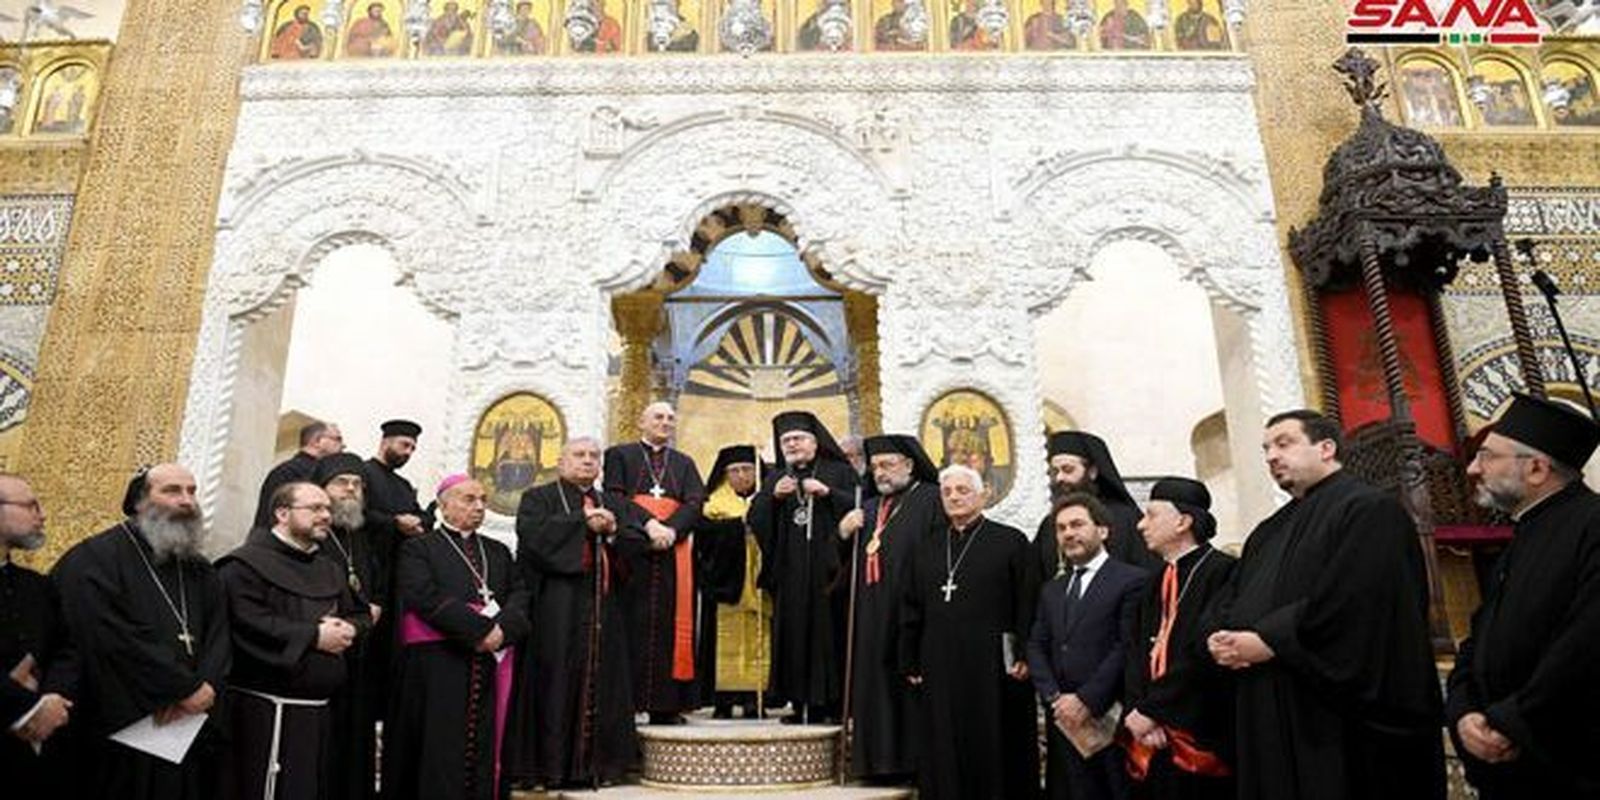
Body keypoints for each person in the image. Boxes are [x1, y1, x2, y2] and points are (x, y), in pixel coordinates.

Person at [1205, 409, 1444, 800]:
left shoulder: (1369, 510)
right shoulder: (1268, 531)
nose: (1271, 457)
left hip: (1333, 718)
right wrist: (1222, 636)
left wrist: (1269, 641)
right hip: (1270, 703)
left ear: (1326, 448)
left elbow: (1362, 604)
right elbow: (1235, 596)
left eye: (1285, 443)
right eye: (1266, 449)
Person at [1448, 394, 1600, 797]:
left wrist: (1511, 721)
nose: (1472, 468)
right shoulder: (1523, 535)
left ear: (1535, 468)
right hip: (1506, 755)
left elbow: (1586, 645)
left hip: (1567, 762)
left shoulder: (1592, 526)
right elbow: (1479, 640)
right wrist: (1464, 712)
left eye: (1488, 457)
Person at [51, 464, 231, 799]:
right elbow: (107, 637)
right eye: (172, 490)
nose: (187, 500)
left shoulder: (201, 570)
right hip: (120, 728)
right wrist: (180, 689)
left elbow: (219, 636)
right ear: (139, 502)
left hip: (187, 727)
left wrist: (206, 687)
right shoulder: (94, 559)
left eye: (191, 491)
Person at [218, 482, 371, 800]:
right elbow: (247, 624)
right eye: (315, 508)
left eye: (327, 508)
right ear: (282, 513)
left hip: (318, 713)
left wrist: (349, 629)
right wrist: (314, 636)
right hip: (262, 711)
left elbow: (360, 613)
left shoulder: (329, 567)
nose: (326, 515)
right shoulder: (243, 565)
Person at [385, 476, 530, 800]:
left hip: (492, 660)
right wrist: (481, 630)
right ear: (443, 505)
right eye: (469, 499)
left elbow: (520, 596)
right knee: (439, 743)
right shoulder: (418, 548)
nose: (479, 506)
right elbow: (422, 595)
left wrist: (502, 631)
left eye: (482, 499)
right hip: (438, 665)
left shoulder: (498, 551)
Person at [901, 465, 1041, 799]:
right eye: (947, 492)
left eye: (962, 490)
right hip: (939, 660)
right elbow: (910, 607)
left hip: (994, 663)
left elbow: (1028, 601)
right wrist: (910, 659)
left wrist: (1024, 653)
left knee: (994, 737)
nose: (954, 497)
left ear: (983, 495)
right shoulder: (927, 548)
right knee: (943, 739)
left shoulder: (1011, 541)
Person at [507, 437, 637, 790]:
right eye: (579, 455)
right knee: (554, 681)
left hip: (603, 609)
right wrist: (581, 522)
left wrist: (612, 531)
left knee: (604, 680)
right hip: (556, 608)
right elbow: (533, 539)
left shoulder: (612, 502)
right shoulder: (538, 498)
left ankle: (602, 766)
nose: (587, 461)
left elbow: (635, 542)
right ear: (560, 461)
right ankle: (550, 769)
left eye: (594, 456)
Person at [1027, 493, 1146, 800]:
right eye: (1061, 527)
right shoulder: (1052, 589)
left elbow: (1126, 646)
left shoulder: (1132, 580)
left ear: (1102, 530)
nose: (1068, 533)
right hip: (1063, 719)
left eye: (1077, 524)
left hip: (1109, 716)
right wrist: (1055, 697)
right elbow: (1037, 645)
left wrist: (1086, 699)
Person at [1123, 478, 1236, 800]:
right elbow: (1134, 653)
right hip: (1152, 733)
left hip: (1199, 729)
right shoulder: (1152, 582)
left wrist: (1156, 710)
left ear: (1183, 522)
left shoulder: (1224, 572)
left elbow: (1205, 653)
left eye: (1152, 515)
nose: (1141, 525)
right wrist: (1141, 711)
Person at [838, 434, 941, 783]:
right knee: (873, 687)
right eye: (876, 466)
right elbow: (838, 569)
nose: (880, 472)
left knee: (904, 687)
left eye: (888, 464)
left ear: (909, 465)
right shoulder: (866, 506)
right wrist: (842, 532)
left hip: (911, 612)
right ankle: (874, 764)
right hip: (869, 615)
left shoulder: (930, 499)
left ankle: (909, 764)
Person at [750, 410, 860, 724]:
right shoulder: (776, 477)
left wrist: (827, 493)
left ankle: (833, 705)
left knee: (829, 633)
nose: (792, 445)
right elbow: (755, 519)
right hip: (790, 572)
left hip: (830, 572)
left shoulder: (840, 472)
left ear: (815, 442)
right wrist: (772, 497)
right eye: (786, 441)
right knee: (794, 634)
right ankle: (799, 703)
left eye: (798, 438)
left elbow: (859, 507)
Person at [604, 402, 705, 724]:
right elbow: (615, 498)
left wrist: (672, 530)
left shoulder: (684, 462)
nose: (665, 422)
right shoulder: (620, 455)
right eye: (658, 417)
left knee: (671, 626)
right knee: (630, 623)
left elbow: (695, 502)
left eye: (670, 418)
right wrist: (650, 525)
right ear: (641, 422)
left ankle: (666, 706)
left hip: (674, 552)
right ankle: (627, 705)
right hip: (634, 550)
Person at [314, 453, 384, 800]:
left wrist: (376, 606)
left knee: (357, 733)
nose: (351, 490)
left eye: (357, 484)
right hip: (323, 651)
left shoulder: (361, 534)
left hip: (362, 652)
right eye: (342, 482)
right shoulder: (311, 534)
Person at [0, 473, 73, 797]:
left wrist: (50, 702)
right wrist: (24, 707)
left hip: (33, 756)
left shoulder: (38, 586)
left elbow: (67, 651)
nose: (41, 515)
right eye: (30, 505)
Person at [693, 444, 768, 719]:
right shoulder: (713, 503)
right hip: (725, 583)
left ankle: (754, 697)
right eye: (734, 470)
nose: (741, 475)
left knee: (758, 638)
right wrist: (739, 528)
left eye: (747, 469)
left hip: (759, 583)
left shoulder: (768, 498)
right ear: (724, 475)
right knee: (720, 641)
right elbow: (704, 539)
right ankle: (722, 700)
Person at [1038, 431, 1155, 577]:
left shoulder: (1127, 520)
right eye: (1054, 472)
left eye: (1068, 470)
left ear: (1092, 472)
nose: (1059, 478)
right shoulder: (1048, 525)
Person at [253, 420, 343, 528]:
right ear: (317, 441)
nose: (343, 446)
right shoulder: (287, 472)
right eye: (338, 439)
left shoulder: (291, 470)